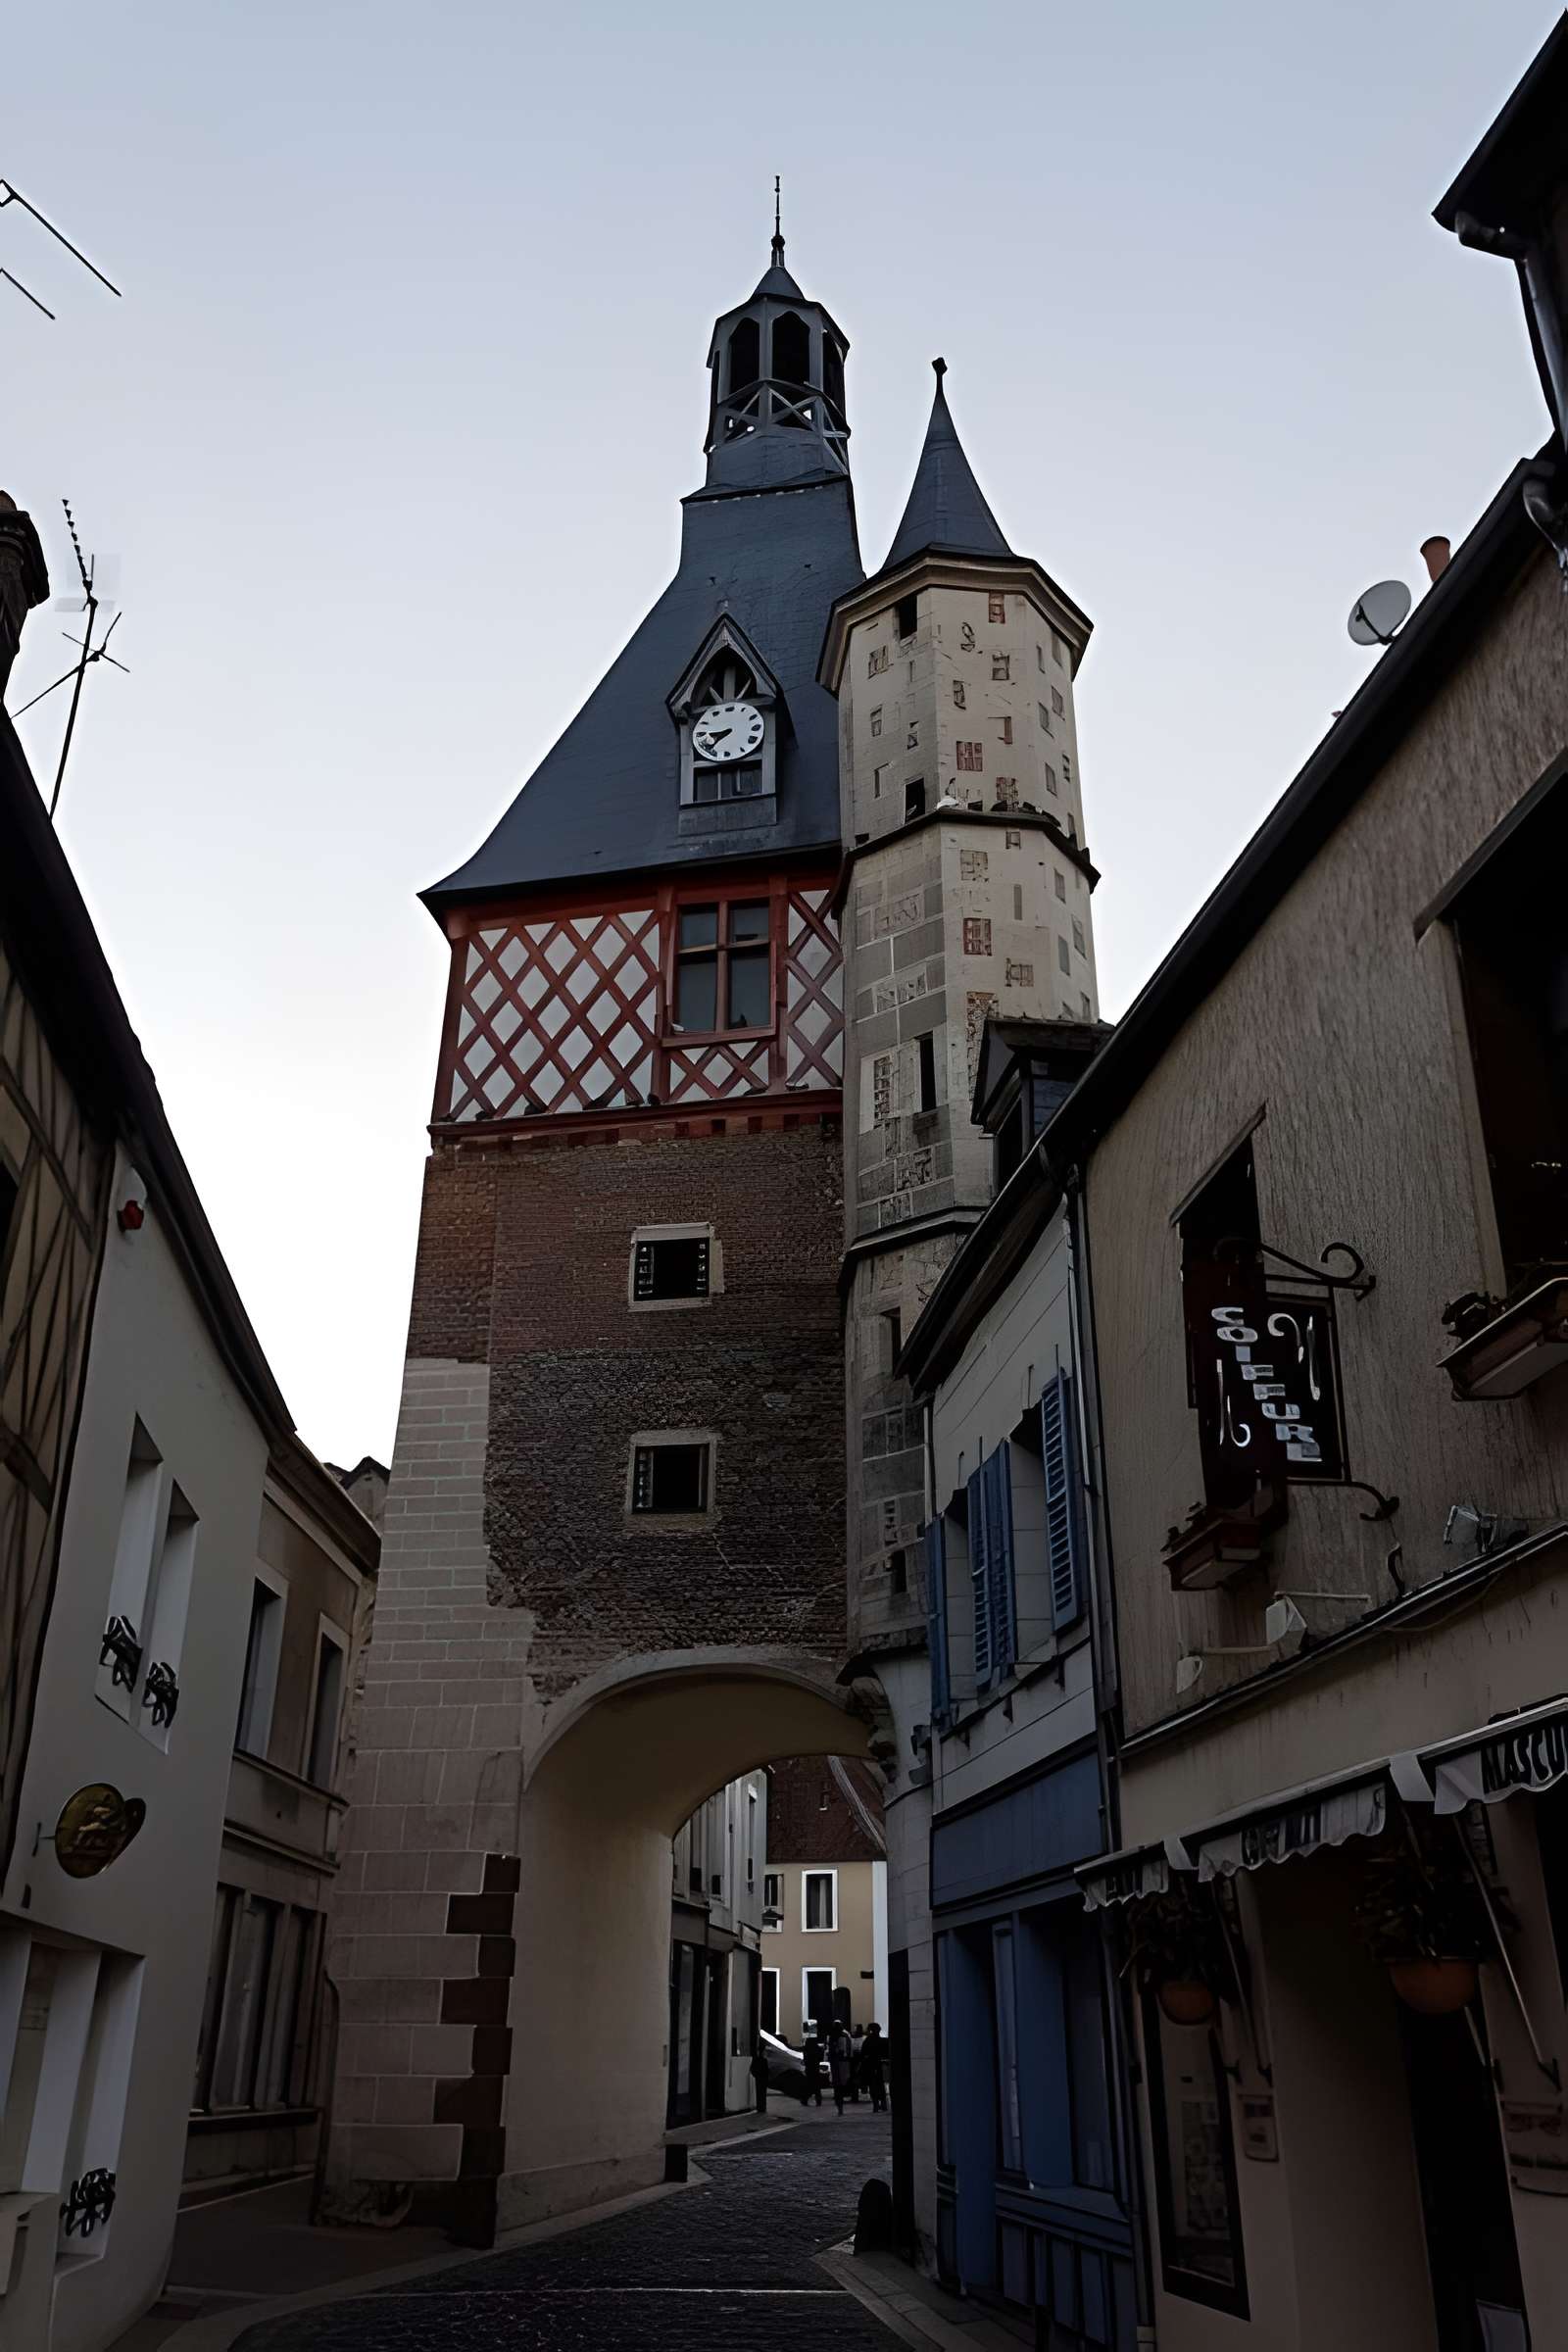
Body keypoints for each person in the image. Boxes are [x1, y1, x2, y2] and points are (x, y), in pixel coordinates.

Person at [859, 2020, 887, 2113]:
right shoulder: (882, 2041)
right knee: (880, 2085)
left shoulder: (868, 2040)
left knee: (873, 2085)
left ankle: (876, 2105)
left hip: (870, 2066)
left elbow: (863, 2053)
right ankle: (883, 2104)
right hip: (879, 2065)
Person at [828, 2022, 853, 2115]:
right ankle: (840, 2104)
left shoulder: (833, 2036)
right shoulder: (844, 2035)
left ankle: (839, 2104)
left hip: (837, 2062)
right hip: (843, 2062)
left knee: (837, 2083)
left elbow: (835, 2050)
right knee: (842, 2082)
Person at [803, 2028, 825, 2106]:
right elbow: (821, 2057)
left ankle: (805, 2099)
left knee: (809, 2084)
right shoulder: (817, 2048)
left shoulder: (807, 2047)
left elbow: (804, 2056)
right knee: (816, 2085)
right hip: (815, 2067)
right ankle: (818, 2100)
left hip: (809, 2067)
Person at [750, 2035, 770, 2116]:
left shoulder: (757, 2058)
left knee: (759, 2091)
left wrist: (754, 2073)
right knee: (762, 2092)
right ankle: (762, 2107)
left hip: (759, 2076)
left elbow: (753, 2068)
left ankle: (760, 2107)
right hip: (763, 2075)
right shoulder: (764, 2059)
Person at [849, 2022, 865, 2102]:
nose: (855, 2031)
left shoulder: (864, 2038)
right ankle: (854, 2096)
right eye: (855, 2029)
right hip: (853, 2060)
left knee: (858, 2078)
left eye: (857, 2029)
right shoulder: (851, 2039)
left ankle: (858, 2093)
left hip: (860, 2060)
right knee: (853, 2079)